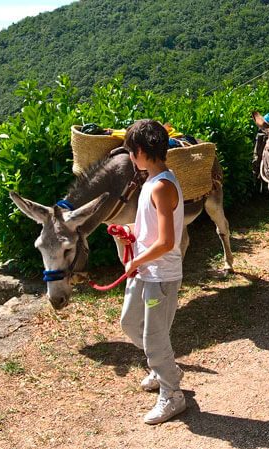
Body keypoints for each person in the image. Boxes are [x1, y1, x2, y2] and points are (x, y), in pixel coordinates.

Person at [120, 119, 186, 425]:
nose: (131, 158)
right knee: (130, 323)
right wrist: (127, 231)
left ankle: (172, 394)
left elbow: (166, 241)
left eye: (131, 152)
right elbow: (151, 230)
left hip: (160, 275)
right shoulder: (150, 181)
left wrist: (135, 261)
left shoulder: (161, 186)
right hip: (145, 271)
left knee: (155, 337)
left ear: (142, 151)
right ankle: (165, 369)